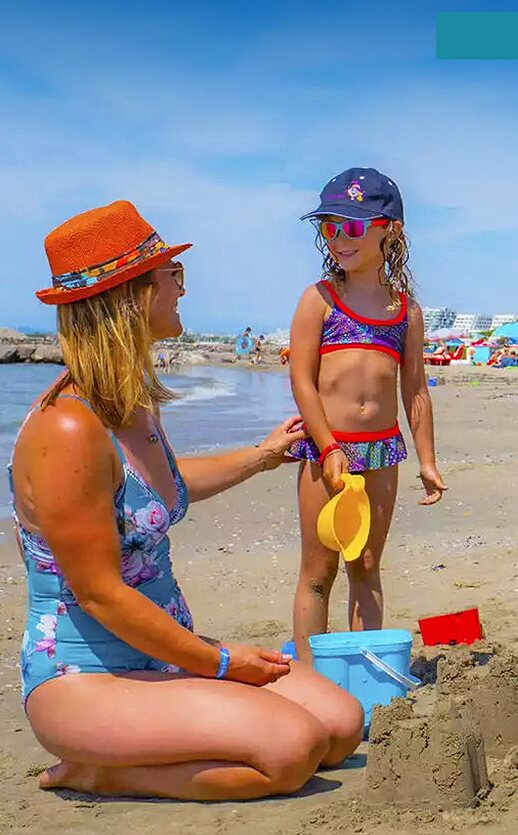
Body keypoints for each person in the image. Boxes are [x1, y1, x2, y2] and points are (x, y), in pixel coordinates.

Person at [12, 201, 363, 800]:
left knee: (340, 726)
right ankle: (95, 770)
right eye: (170, 275)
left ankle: (144, 746)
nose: (181, 288)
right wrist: (221, 662)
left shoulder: (131, 405)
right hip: (85, 678)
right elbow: (99, 592)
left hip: (166, 658)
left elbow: (160, 489)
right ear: (130, 295)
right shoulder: (67, 431)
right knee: (291, 750)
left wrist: (262, 455)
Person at [287, 168, 447, 664]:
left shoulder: (405, 311)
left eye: (351, 227)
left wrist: (427, 459)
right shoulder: (319, 299)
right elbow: (302, 380)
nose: (338, 238)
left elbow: (415, 390)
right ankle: (311, 676)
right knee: (318, 570)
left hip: (382, 451)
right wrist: (329, 446)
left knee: (367, 562)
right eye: (329, 227)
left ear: (389, 229)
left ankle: (365, 670)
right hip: (324, 449)